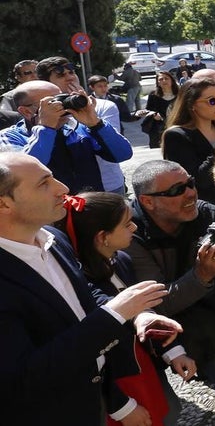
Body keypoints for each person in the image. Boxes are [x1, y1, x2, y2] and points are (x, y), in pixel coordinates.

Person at [0, 152, 180, 426]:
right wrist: (114, 313)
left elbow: (81, 313)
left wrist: (116, 402)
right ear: (4, 203)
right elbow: (23, 378)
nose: (63, 188)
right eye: (44, 183)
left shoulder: (55, 240)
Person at [126, 159, 215, 426]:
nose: (190, 193)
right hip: (146, 335)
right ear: (148, 201)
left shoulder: (208, 216)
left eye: (190, 183)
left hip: (206, 324)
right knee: (164, 411)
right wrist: (201, 276)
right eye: (176, 190)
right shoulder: (129, 233)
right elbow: (158, 306)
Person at [52, 190, 186, 426]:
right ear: (103, 236)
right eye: (127, 224)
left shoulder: (121, 260)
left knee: (168, 411)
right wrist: (121, 406)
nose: (134, 228)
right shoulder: (80, 279)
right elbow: (119, 311)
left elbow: (144, 314)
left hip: (140, 363)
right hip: (116, 375)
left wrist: (173, 350)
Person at [1, 77, 133, 194]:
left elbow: (122, 154)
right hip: (48, 217)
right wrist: (45, 128)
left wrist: (96, 123)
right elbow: (25, 173)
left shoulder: (77, 128)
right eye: (52, 103)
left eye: (63, 99)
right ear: (26, 111)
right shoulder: (9, 137)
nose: (61, 106)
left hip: (89, 210)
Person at [162, 77, 215, 206]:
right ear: (192, 105)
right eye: (212, 101)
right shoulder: (176, 135)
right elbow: (198, 180)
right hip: (206, 208)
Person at [141, 69, 179, 149]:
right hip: (158, 128)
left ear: (172, 80)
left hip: (177, 126)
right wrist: (154, 114)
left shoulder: (180, 94)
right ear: (158, 82)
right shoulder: (153, 95)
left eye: (166, 78)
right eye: (161, 79)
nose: (164, 81)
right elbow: (149, 110)